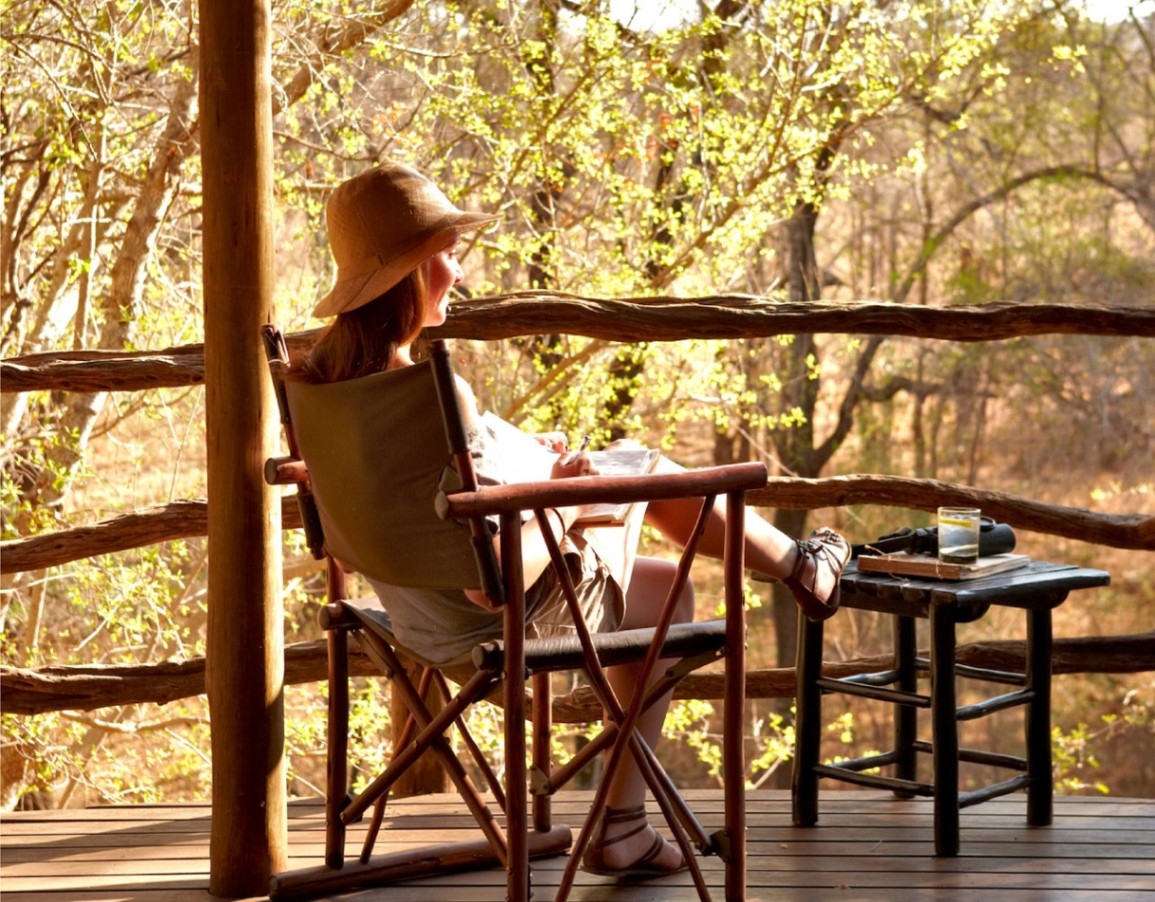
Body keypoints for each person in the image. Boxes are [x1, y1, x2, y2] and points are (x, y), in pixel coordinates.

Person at [294, 162, 850, 879]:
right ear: (408, 273)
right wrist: (565, 499)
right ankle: (800, 569)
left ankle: (627, 818)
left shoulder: (325, 389)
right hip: (492, 622)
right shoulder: (433, 389)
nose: (457, 274)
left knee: (661, 585)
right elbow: (489, 585)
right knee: (640, 473)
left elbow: (430, 499)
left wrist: (530, 467)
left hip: (410, 617)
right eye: (445, 256)